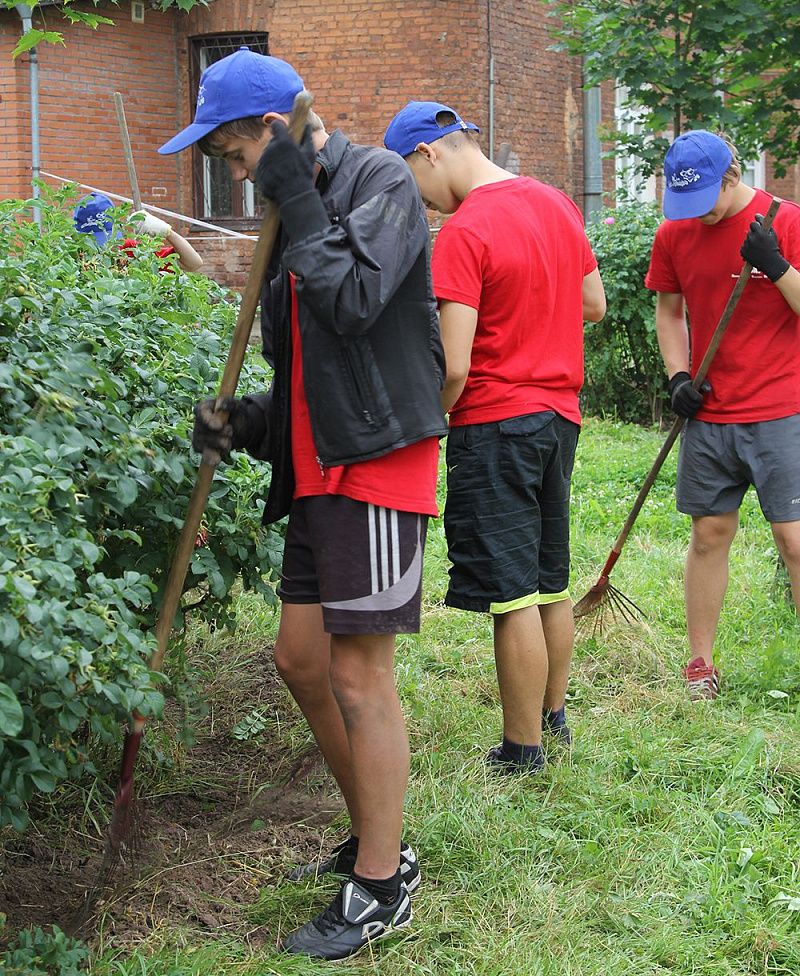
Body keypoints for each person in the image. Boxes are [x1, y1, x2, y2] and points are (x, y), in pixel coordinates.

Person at [158, 48, 447, 960]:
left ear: (273, 132)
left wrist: (300, 201)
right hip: (320, 463)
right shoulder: (291, 212)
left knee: (360, 675)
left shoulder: (380, 186)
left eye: (237, 155)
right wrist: (245, 422)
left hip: (376, 465)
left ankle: (379, 883)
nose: (234, 174)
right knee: (299, 661)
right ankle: (376, 838)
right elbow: (311, 367)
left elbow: (357, 301)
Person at [383, 101, 605, 773]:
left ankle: (522, 751)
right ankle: (553, 716)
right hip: (558, 417)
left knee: (511, 595)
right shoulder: (555, 202)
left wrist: (431, 417)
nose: (419, 203)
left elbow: (454, 364)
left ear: (429, 155)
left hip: (494, 423)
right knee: (548, 581)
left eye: (409, 184)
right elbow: (593, 304)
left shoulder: (464, 230)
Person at [645, 129, 800, 699]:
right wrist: (678, 376)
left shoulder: (785, 222)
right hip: (710, 412)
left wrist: (776, 266)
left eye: (704, 199)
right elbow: (669, 312)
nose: (695, 216)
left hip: (783, 407)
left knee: (795, 540)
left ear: (734, 178)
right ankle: (700, 664)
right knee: (710, 533)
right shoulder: (675, 232)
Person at [73, 192, 204, 273]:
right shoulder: (69, 256)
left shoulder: (129, 251)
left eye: (106, 239)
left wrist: (167, 232)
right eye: (94, 240)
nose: (102, 248)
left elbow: (194, 263)